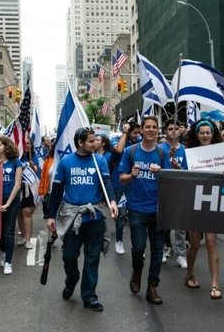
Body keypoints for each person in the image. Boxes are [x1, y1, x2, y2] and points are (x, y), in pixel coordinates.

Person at [46, 127, 118, 312]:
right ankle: (71, 280)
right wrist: (50, 216)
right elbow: (56, 191)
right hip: (72, 219)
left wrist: (112, 201)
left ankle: (89, 296)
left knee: (92, 259)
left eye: (96, 140)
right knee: (69, 257)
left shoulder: (99, 160)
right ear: (80, 143)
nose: (96, 143)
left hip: (94, 218)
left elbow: (107, 182)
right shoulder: (66, 162)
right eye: (91, 141)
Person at [118, 116, 170, 304]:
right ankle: (136, 272)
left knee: (157, 250)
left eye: (154, 127)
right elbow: (121, 178)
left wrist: (161, 173)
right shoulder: (131, 151)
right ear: (141, 129)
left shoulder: (162, 153)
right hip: (137, 208)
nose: (151, 130)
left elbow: (171, 180)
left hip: (158, 210)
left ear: (157, 130)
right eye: (147, 127)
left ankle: (152, 287)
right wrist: (131, 175)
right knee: (138, 247)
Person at [183, 119, 224, 300]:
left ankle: (215, 283)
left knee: (210, 242)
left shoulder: (222, 154)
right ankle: (190, 274)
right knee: (195, 243)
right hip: (194, 201)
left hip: (213, 201)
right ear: (197, 135)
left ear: (212, 134)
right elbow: (184, 177)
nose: (205, 135)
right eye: (202, 132)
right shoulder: (189, 154)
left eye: (208, 132)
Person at [0, 135, 22, 275]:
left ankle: (8, 262)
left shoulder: (16, 162)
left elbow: (17, 184)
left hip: (12, 200)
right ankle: (3, 250)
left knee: (9, 230)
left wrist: (8, 203)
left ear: (6, 146)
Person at [160, 121, 188, 270]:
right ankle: (163, 249)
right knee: (164, 224)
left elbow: (190, 171)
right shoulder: (160, 149)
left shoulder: (185, 150)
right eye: (170, 129)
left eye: (176, 129)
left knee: (180, 226)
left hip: (180, 191)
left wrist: (179, 167)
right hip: (164, 190)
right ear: (166, 131)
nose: (173, 131)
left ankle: (181, 255)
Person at [111, 120, 141, 255]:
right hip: (120, 184)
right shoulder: (117, 140)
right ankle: (119, 241)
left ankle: (139, 245)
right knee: (121, 214)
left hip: (135, 184)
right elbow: (118, 150)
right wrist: (124, 132)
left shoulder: (138, 143)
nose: (137, 135)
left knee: (137, 215)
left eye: (138, 133)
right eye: (134, 133)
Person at [17, 137, 38, 250]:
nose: (26, 145)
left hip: (28, 188)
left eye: (29, 143)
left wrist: (32, 165)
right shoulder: (16, 155)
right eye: (24, 143)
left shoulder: (33, 155)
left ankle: (28, 240)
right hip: (16, 187)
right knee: (19, 213)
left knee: (26, 212)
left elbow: (36, 170)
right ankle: (24, 236)